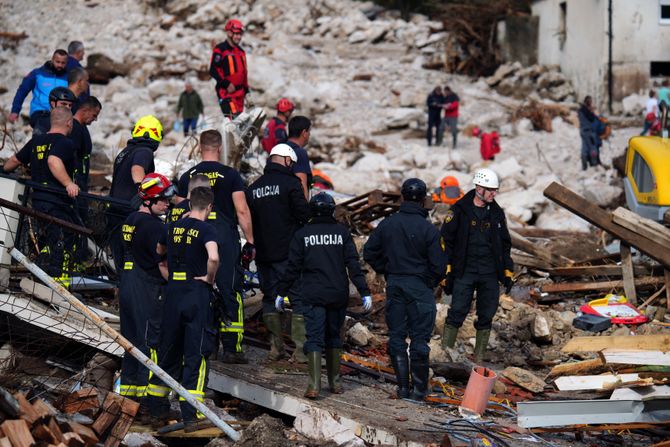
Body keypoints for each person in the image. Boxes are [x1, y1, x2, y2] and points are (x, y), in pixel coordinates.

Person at [275, 192, 371, 399]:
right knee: (334, 337)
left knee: (315, 338)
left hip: (312, 294)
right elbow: (353, 265)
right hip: (338, 294)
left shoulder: (302, 234)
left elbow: (292, 268)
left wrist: (281, 293)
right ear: (332, 210)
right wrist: (365, 292)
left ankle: (314, 386)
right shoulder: (342, 232)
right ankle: (336, 383)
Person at [176, 130, 255, 364]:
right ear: (220, 148)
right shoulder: (230, 175)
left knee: (200, 287)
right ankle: (231, 348)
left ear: (200, 147)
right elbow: (241, 209)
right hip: (223, 237)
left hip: (194, 236)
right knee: (230, 288)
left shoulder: (187, 175)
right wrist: (250, 241)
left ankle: (204, 344)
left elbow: (181, 211)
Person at [363, 178, 445, 401]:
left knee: (397, 336)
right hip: (419, 287)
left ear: (403, 197)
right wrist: (427, 282)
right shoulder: (428, 229)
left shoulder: (388, 224)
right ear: (423, 200)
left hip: (396, 284)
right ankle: (419, 391)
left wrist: (387, 271)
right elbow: (439, 267)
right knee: (420, 339)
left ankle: (402, 388)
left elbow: (369, 252)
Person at [146, 186, 219, 432]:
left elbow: (159, 252)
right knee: (194, 355)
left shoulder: (172, 227)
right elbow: (214, 257)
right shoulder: (207, 228)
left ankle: (155, 407)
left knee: (168, 349)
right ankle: (190, 415)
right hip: (196, 294)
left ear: (189, 205)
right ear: (208, 207)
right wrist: (209, 278)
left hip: (173, 293)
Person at [440, 168, 513, 363]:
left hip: (489, 272)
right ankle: (445, 353)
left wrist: (507, 271)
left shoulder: (497, 214)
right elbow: (446, 241)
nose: (493, 194)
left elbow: (505, 244)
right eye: (490, 190)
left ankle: (479, 357)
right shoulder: (459, 210)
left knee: (486, 314)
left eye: (495, 190)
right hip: (465, 270)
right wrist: (446, 271)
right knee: (457, 311)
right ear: (479, 188)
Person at [247, 143, 310, 362]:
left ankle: (276, 348)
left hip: (264, 255)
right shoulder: (291, 183)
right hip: (289, 254)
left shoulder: (253, 188)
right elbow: (304, 214)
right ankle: (301, 350)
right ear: (286, 160)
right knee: (299, 298)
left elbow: (247, 220)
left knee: (270, 298)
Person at [3, 107, 79, 287]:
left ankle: (42, 277)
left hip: (38, 201)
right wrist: (69, 183)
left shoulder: (36, 141)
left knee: (48, 241)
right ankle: (58, 286)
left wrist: (3, 171)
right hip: (57, 202)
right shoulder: (66, 143)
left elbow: (13, 161)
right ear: (69, 122)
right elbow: (53, 161)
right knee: (62, 243)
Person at [118, 173, 173, 403]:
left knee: (130, 341)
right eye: (163, 199)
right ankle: (150, 400)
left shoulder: (130, 220)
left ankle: (129, 398)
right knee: (150, 341)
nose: (167, 203)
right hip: (147, 287)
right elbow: (161, 263)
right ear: (149, 200)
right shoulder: (154, 227)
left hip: (128, 281)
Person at [108, 115, 163, 274]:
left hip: (114, 210)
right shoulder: (144, 151)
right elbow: (137, 170)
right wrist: (145, 192)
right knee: (133, 257)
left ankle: (122, 289)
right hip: (129, 211)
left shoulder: (125, 152)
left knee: (120, 258)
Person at [9, 49, 69, 128]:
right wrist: (15, 111)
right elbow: (22, 91)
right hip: (40, 112)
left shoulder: (68, 77)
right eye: (57, 62)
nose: (60, 65)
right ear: (52, 60)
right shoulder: (38, 74)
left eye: (63, 63)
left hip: (60, 115)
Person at [210, 19, 248, 118]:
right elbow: (213, 70)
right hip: (226, 93)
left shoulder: (241, 52)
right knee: (234, 120)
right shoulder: (220, 49)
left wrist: (247, 92)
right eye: (236, 34)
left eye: (240, 34)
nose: (239, 37)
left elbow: (244, 73)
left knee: (241, 121)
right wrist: (226, 83)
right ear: (229, 33)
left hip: (240, 94)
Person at [286, 116, 312, 199]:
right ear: (304, 133)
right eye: (309, 131)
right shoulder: (299, 153)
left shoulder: (278, 149)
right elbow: (302, 183)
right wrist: (304, 209)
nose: (310, 134)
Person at [578, 96, 597, 170]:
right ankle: (594, 164)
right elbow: (592, 119)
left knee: (584, 148)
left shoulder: (580, 110)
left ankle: (584, 166)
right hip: (589, 131)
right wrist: (592, 112)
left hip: (582, 131)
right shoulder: (587, 111)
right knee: (593, 147)